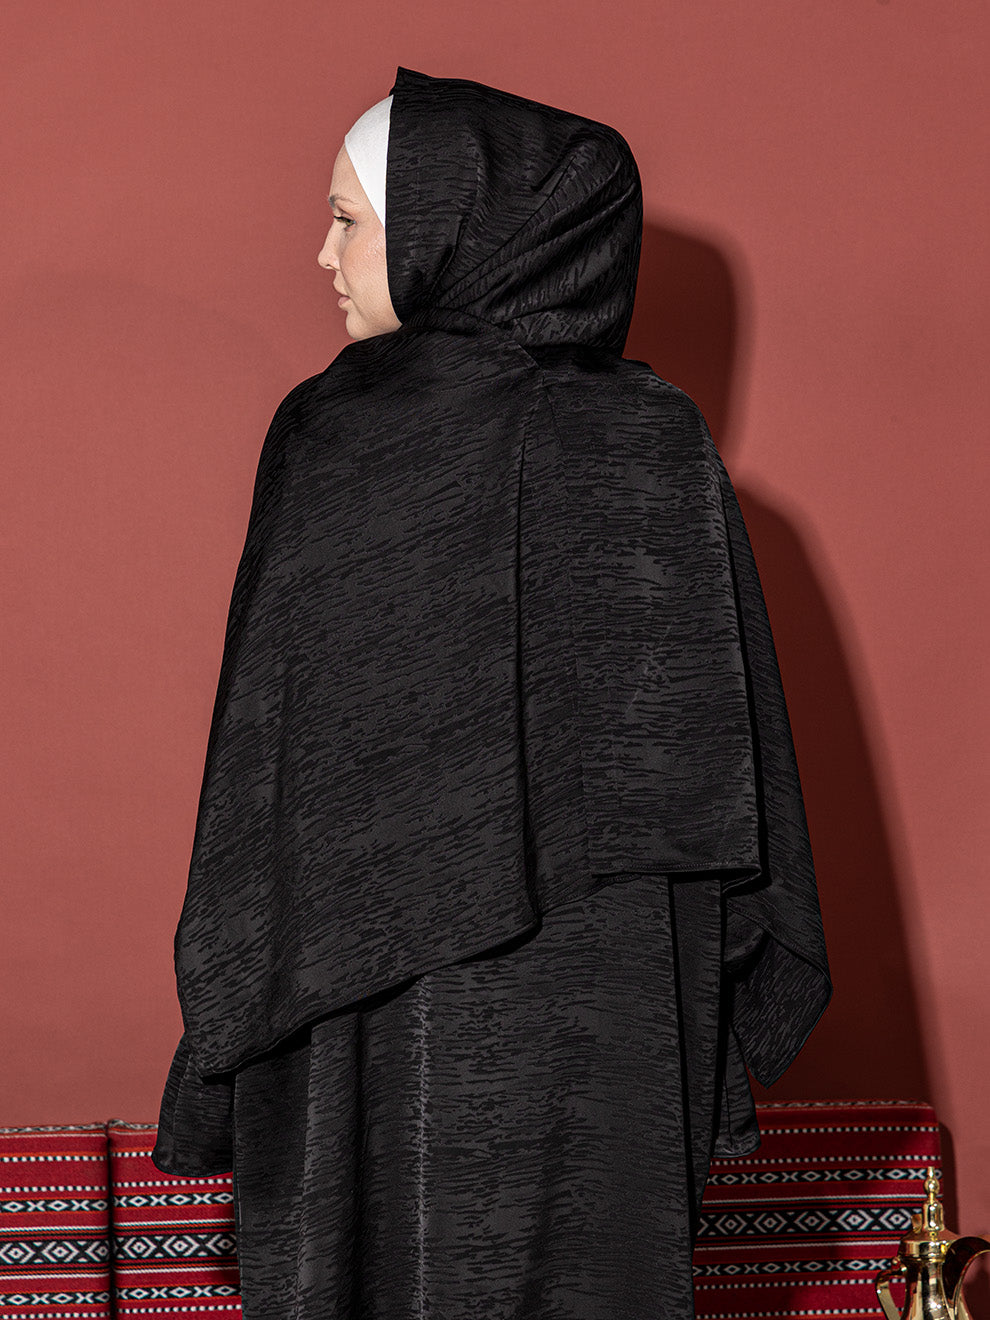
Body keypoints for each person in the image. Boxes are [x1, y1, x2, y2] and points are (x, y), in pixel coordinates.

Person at [151, 68, 830, 1319]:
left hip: (446, 981)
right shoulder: (642, 438)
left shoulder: (352, 433)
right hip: (495, 991)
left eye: (347, 220)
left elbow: (269, 778)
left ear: (448, 225)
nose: (322, 254)